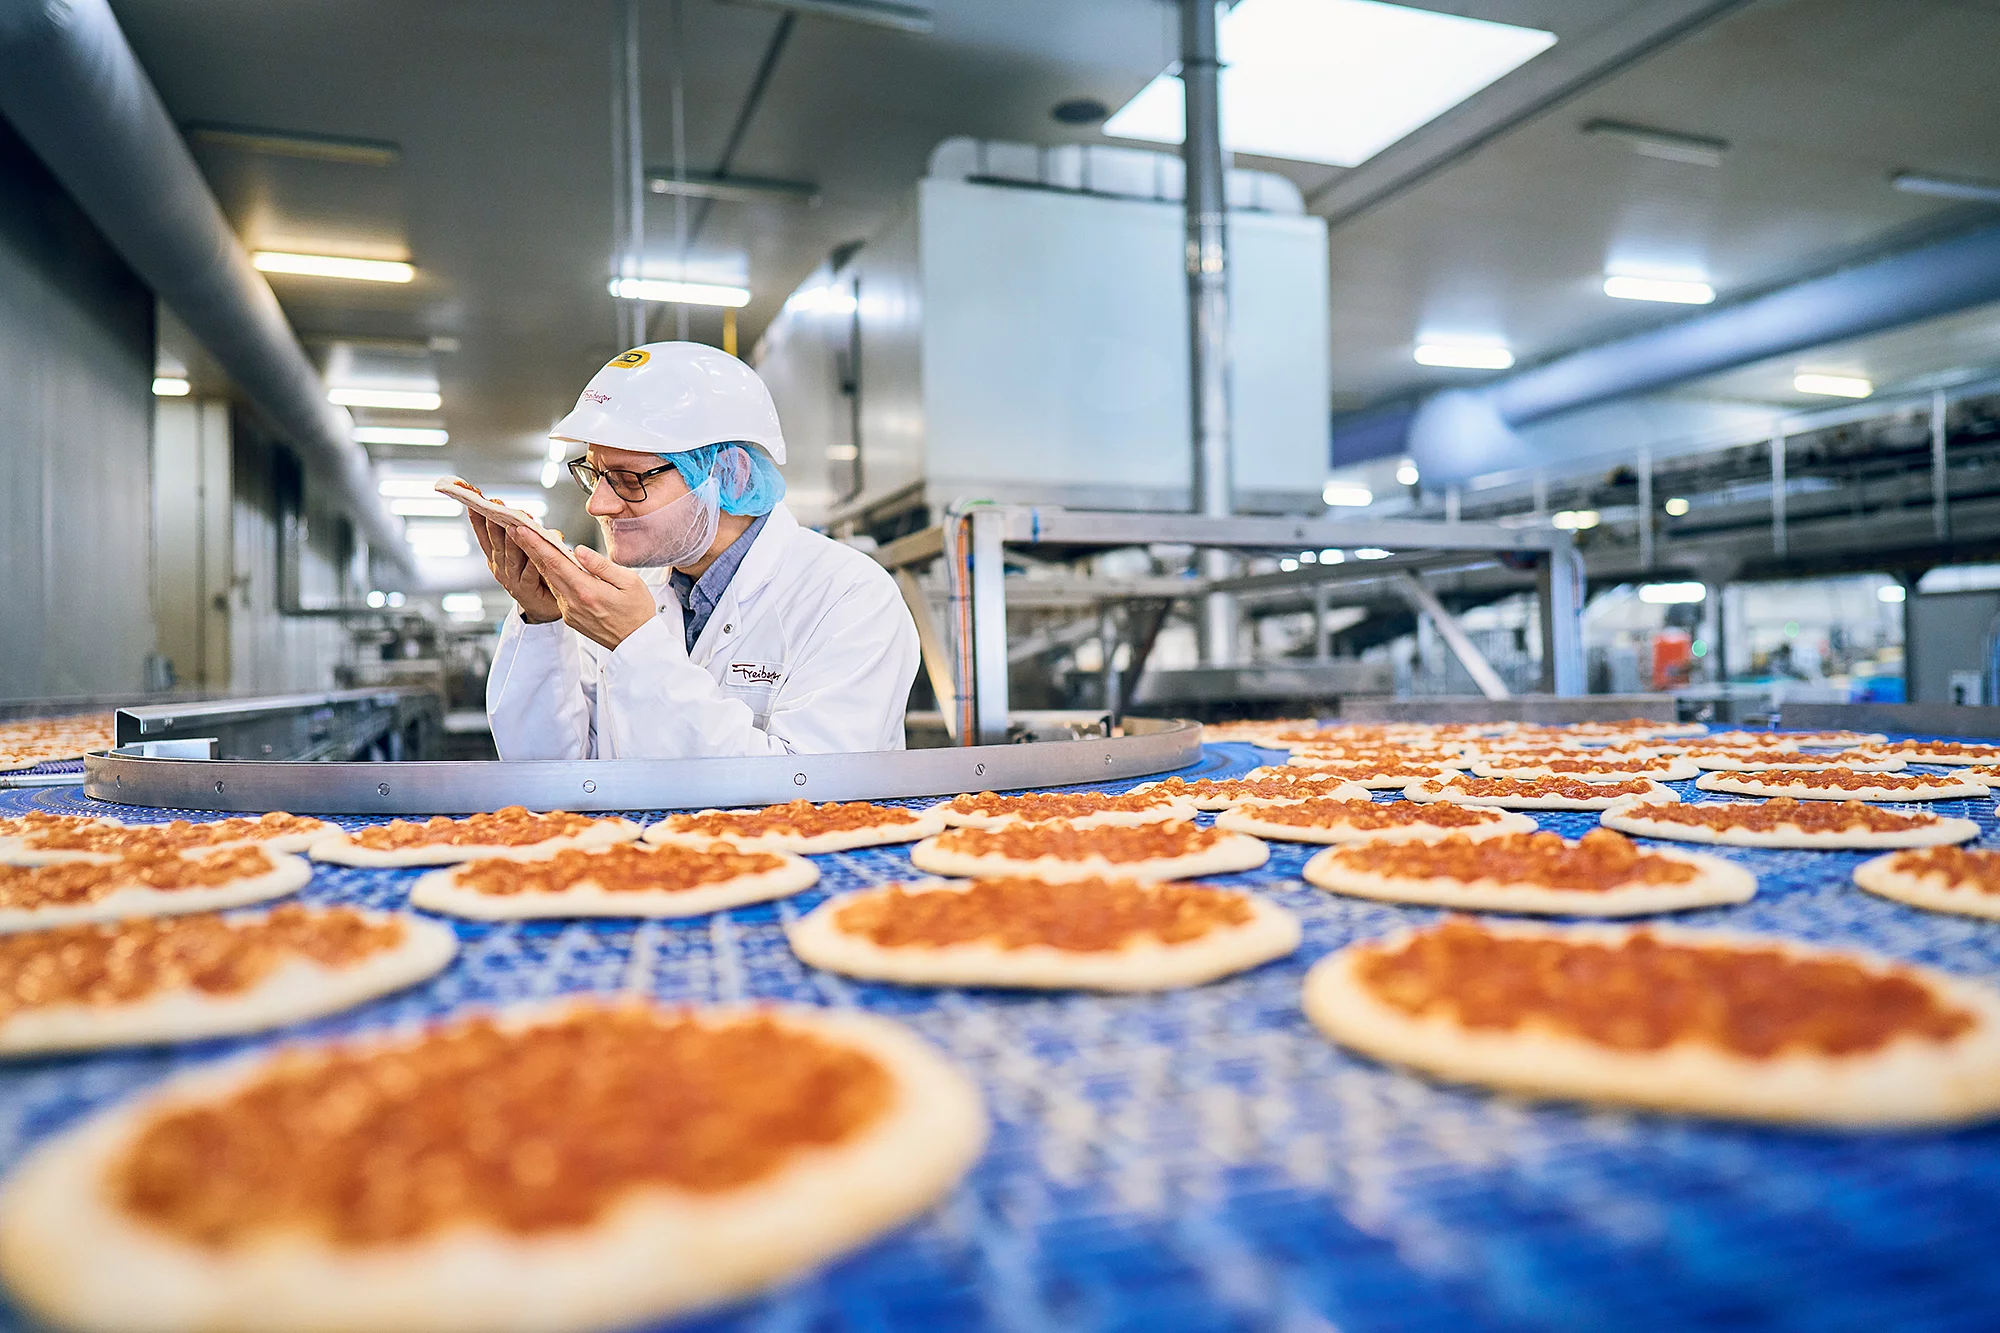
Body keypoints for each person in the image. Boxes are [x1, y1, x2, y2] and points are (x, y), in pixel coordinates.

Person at [476, 342, 919, 758]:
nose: (598, 505)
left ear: (730, 475)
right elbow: (557, 772)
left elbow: (807, 794)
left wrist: (636, 644)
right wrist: (542, 622)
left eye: (630, 479)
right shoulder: (622, 594)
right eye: (594, 474)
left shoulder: (852, 597)